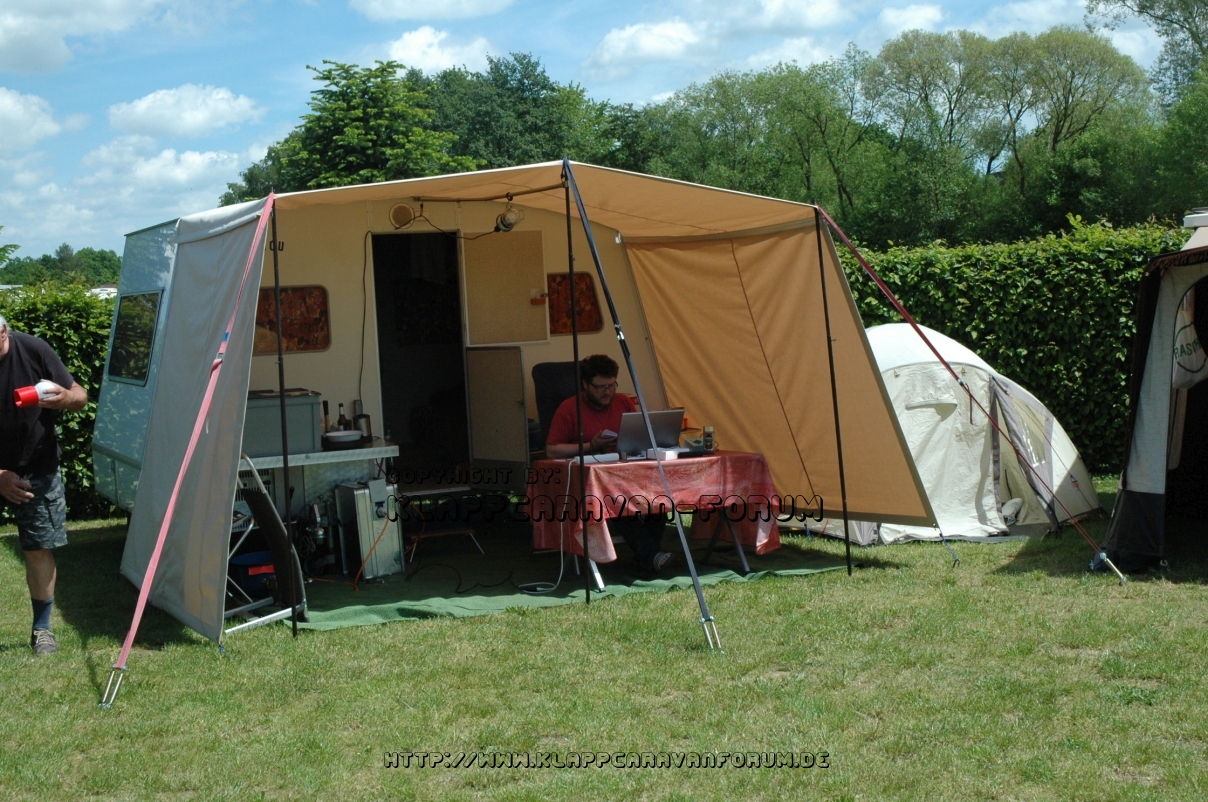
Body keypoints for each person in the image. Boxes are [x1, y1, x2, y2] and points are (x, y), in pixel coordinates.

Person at [0, 314, 88, 655]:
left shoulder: (34, 350)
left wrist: (64, 398)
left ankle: (42, 629)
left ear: (4, 332)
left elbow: (80, 396)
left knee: (38, 548)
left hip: (37, 468)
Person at [545, 354, 672, 572]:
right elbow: (552, 450)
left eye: (611, 385)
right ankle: (650, 554)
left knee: (657, 497)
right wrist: (591, 445)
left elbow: (639, 436)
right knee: (616, 500)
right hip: (591, 484)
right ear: (586, 385)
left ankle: (649, 554)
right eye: (601, 387)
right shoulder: (569, 408)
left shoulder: (623, 402)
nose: (607, 392)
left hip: (627, 475)